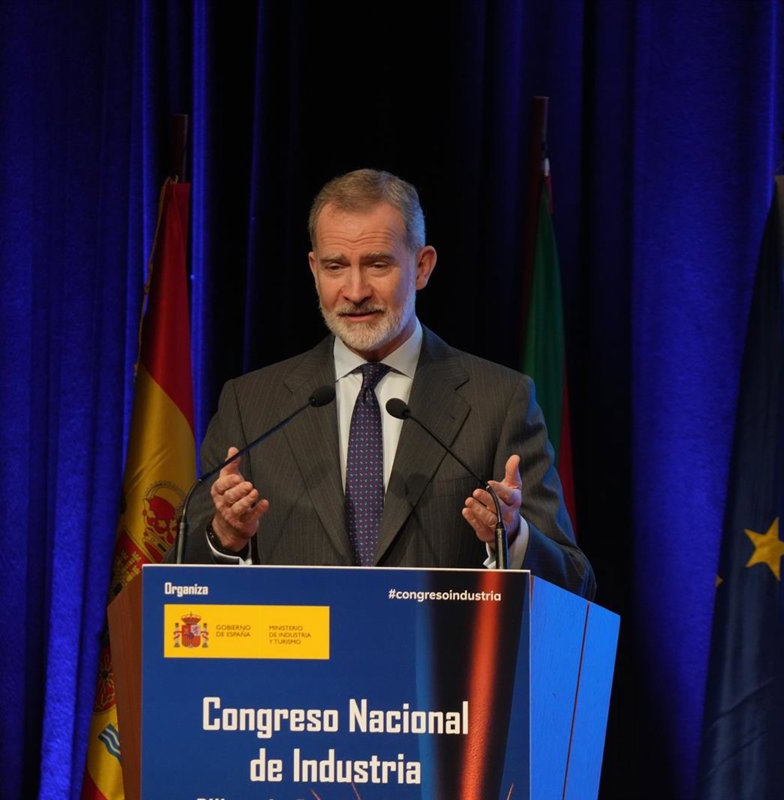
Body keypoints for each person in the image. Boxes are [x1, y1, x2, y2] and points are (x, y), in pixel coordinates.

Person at [181, 169, 596, 599]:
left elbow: (574, 581)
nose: (355, 290)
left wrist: (511, 536)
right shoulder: (252, 405)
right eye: (336, 266)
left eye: (377, 264)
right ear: (314, 269)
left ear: (422, 267)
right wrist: (224, 537)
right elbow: (178, 578)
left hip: (438, 644)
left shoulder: (499, 401)